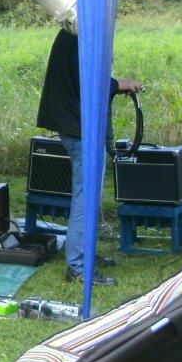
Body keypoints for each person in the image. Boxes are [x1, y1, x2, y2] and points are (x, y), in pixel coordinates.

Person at [37, 27, 142, 285]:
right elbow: (90, 82)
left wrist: (114, 85)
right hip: (79, 128)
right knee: (85, 199)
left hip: (77, 124)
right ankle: (78, 266)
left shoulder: (73, 31)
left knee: (88, 197)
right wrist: (118, 84)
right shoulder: (80, 34)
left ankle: (84, 255)